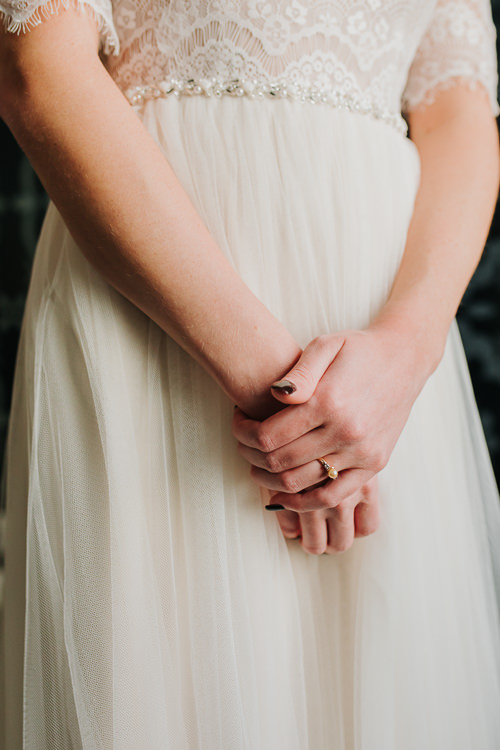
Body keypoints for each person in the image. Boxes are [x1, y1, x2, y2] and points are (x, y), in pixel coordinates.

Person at [1, 0, 500, 747]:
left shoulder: (392, 374)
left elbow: (457, 107)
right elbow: (41, 67)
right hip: (162, 327)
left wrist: (408, 348)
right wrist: (280, 393)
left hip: (383, 390)